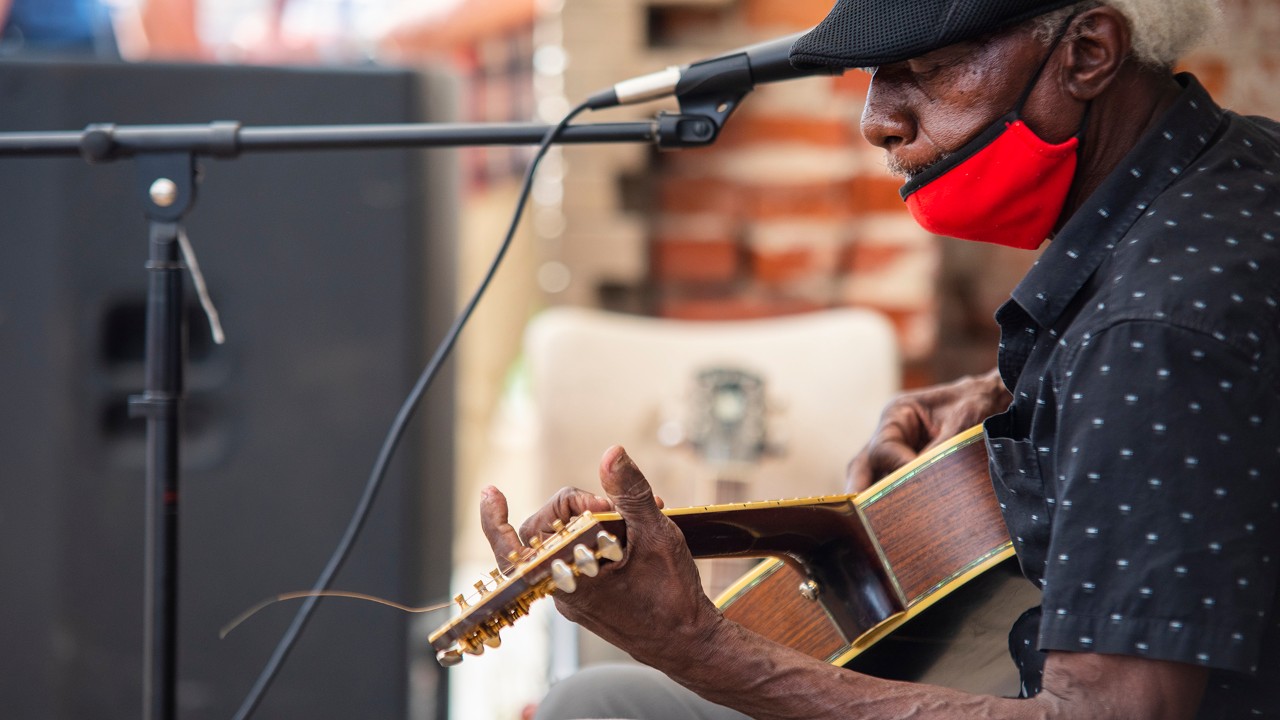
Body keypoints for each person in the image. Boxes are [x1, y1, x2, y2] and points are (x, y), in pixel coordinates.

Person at [479, 0, 1280, 717]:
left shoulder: (1148, 332)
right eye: (873, 75)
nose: (877, 120)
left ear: (1088, 53)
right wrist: (1016, 394)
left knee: (596, 704)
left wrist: (697, 646)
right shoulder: (1236, 168)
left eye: (923, 71)